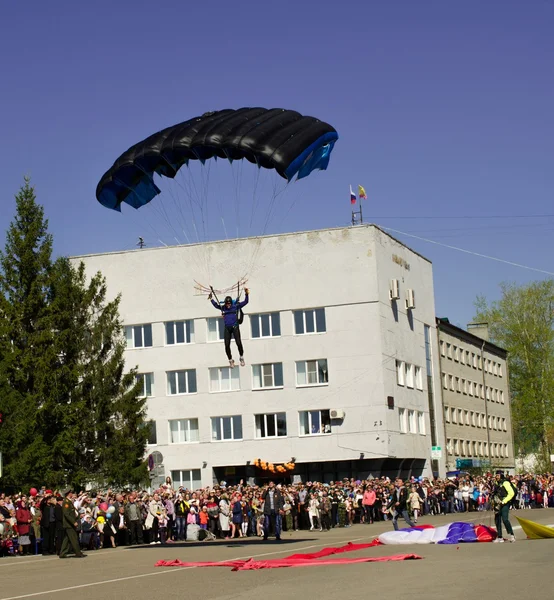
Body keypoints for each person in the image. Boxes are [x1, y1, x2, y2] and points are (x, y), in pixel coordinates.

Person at [209, 288, 249, 367]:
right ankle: (230, 360)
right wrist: (211, 299)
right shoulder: (223, 307)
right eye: (227, 304)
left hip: (235, 327)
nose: (228, 305)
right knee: (227, 345)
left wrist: (246, 294)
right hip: (227, 328)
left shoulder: (235, 306)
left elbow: (246, 302)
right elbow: (216, 305)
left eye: (229, 303)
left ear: (231, 303)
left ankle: (241, 357)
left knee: (238, 343)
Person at [59, 489, 86, 558]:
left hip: (70, 523)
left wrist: (78, 515)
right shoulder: (66, 502)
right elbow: (66, 514)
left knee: (67, 539)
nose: (72, 494)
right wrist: (73, 522)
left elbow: (73, 511)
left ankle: (62, 553)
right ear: (68, 494)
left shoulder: (69, 501)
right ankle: (78, 553)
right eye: (71, 493)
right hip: (69, 524)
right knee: (74, 538)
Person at [492, 470, 516, 543]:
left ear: (501, 475)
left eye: (498, 475)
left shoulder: (505, 483)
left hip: (505, 503)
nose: (496, 477)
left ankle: (511, 535)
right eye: (496, 475)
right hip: (497, 503)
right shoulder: (496, 483)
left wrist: (504, 501)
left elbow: (511, 493)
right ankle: (499, 537)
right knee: (497, 519)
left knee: (505, 519)